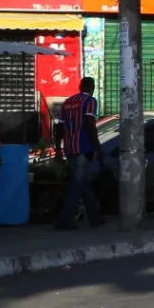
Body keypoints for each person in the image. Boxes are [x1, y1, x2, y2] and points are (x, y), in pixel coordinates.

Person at [55, 78, 105, 229]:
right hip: (83, 148)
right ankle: (63, 220)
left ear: (80, 86)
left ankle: (95, 217)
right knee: (77, 185)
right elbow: (90, 125)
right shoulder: (90, 101)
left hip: (70, 148)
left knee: (84, 183)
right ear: (92, 87)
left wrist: (58, 148)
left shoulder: (68, 102)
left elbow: (60, 127)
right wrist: (98, 147)